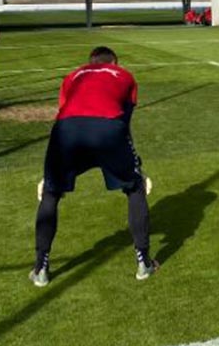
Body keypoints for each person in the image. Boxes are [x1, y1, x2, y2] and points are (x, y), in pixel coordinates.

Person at [31, 46, 157, 286]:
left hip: (67, 130)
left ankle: (41, 268)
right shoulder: (125, 75)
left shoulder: (72, 76)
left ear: (90, 62)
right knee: (134, 188)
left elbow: (64, 113)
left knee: (51, 192)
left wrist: (48, 175)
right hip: (109, 129)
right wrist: (136, 166)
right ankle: (144, 262)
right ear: (114, 63)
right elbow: (124, 122)